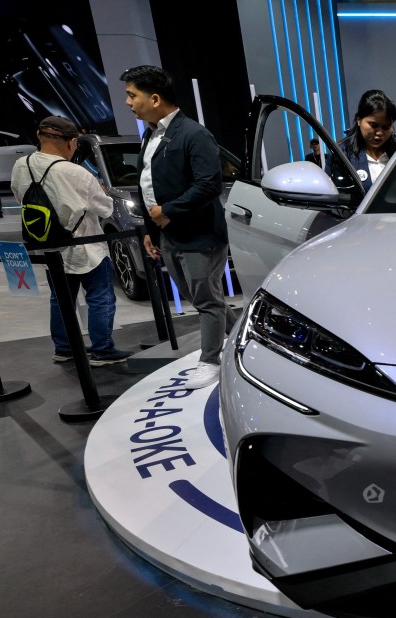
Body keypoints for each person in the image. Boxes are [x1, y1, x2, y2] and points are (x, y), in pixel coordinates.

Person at [121, 64, 232, 390]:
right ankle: (242, 335)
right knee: (202, 297)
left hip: (200, 234)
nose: (128, 103)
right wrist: (148, 231)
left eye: (132, 95)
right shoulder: (151, 135)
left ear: (154, 98)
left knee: (207, 301)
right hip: (168, 234)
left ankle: (211, 360)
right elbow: (145, 183)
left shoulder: (194, 134)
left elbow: (210, 184)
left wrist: (168, 210)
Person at [10, 116, 130, 366]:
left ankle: (64, 348)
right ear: (70, 142)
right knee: (100, 297)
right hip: (86, 246)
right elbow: (106, 208)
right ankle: (102, 350)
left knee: (60, 299)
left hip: (49, 246)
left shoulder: (22, 165)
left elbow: (19, 194)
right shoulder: (75, 172)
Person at [339, 90, 396, 192]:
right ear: (359, 120)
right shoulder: (342, 154)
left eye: (386, 127)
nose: (379, 133)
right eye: (373, 125)